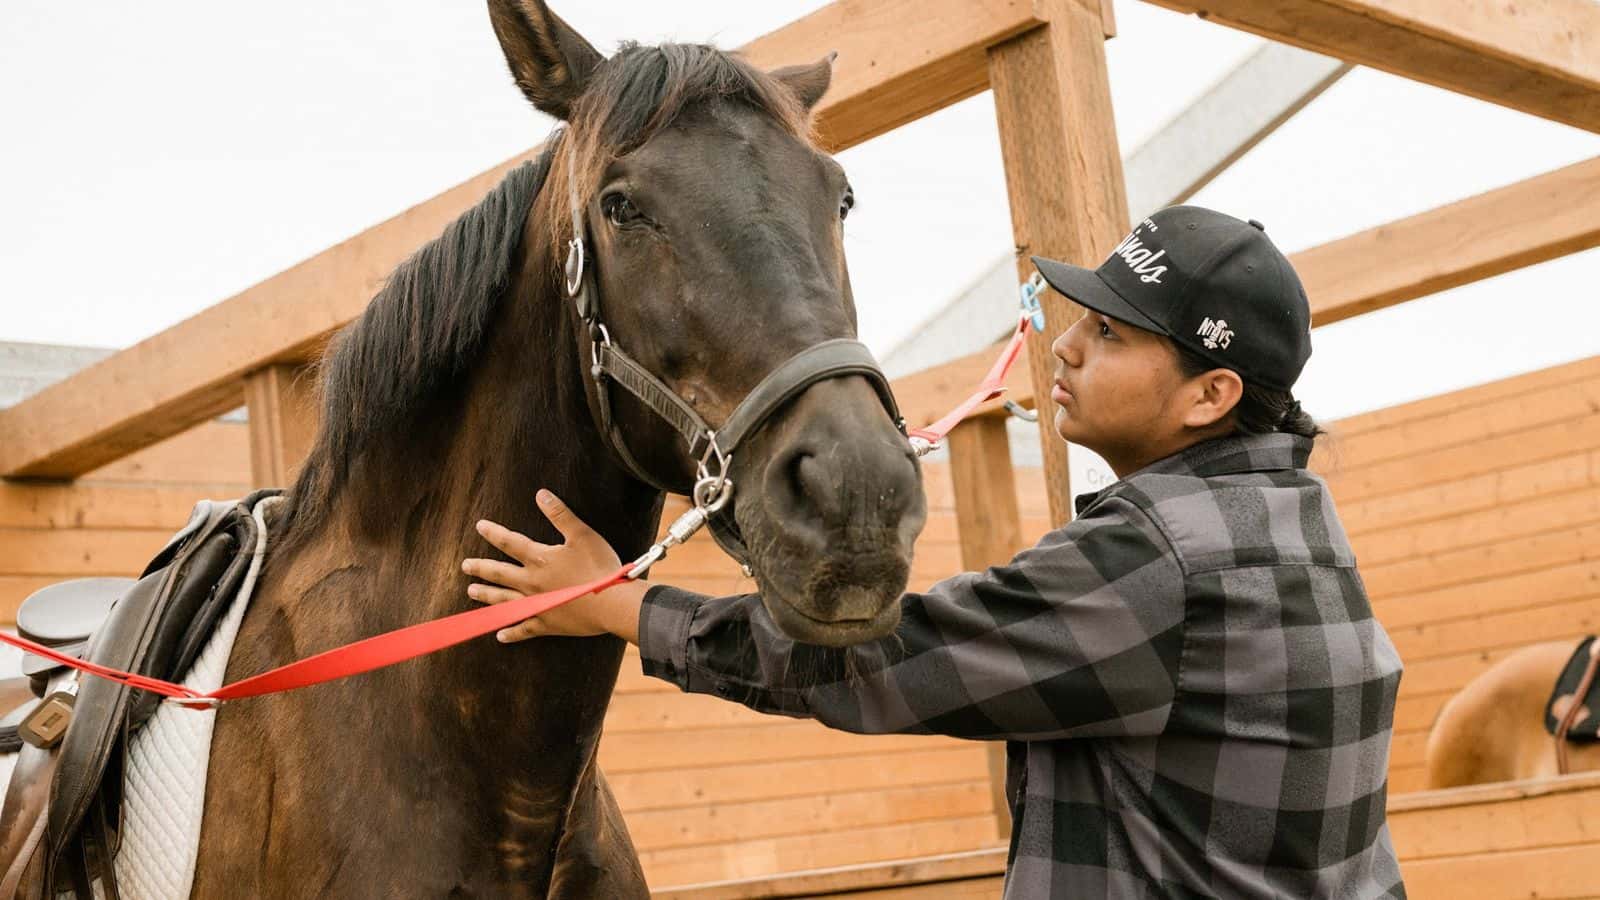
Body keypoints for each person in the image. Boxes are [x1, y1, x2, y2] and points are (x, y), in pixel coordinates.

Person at [461, 206, 1406, 899]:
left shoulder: (1167, 558)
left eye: (1110, 334)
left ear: (1210, 396)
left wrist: (619, 606)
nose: (1065, 348)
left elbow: (875, 661)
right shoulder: (1298, 524)